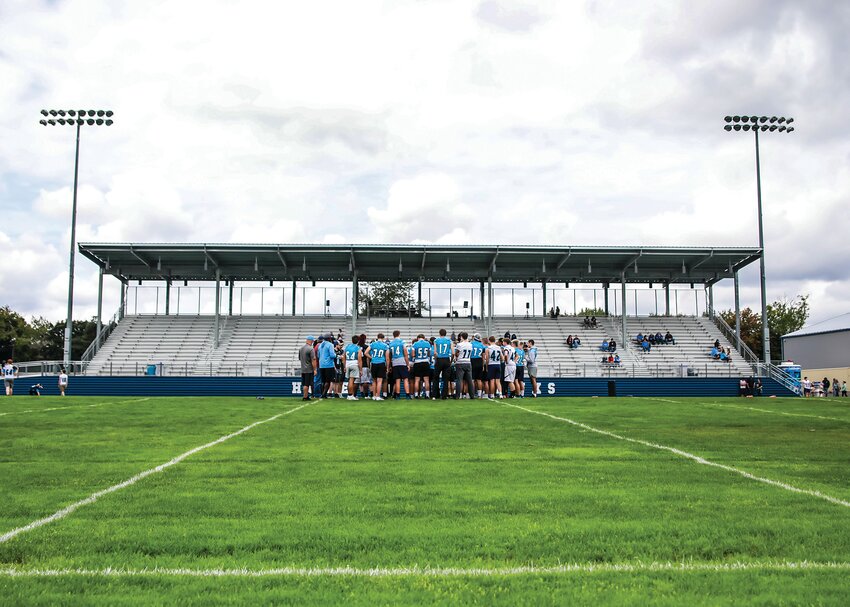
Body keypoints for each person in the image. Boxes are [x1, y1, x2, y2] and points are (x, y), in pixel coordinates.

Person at [365, 334, 389, 401]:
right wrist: (387, 366)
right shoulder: (385, 345)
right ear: (383, 338)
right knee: (379, 381)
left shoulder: (372, 344)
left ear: (377, 337)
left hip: (373, 363)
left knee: (374, 381)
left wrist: (372, 358)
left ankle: (374, 396)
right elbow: (387, 358)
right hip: (381, 363)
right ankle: (378, 396)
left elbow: (366, 352)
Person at [389, 330, 411, 400]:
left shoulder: (391, 343)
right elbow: (405, 354)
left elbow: (389, 355)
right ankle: (407, 395)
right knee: (405, 379)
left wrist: (390, 365)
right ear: (399, 334)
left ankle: (398, 395)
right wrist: (408, 364)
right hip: (402, 361)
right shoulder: (402, 342)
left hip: (394, 362)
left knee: (397, 380)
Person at [411, 333, 433, 399]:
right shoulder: (427, 343)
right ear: (423, 337)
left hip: (417, 362)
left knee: (417, 380)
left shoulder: (415, 344)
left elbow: (413, 354)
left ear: (418, 338)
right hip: (425, 362)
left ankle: (416, 395)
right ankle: (427, 395)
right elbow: (429, 353)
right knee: (426, 380)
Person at [433, 329, 454, 400]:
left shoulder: (436, 340)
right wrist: (450, 361)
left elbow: (435, 353)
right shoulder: (449, 341)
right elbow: (453, 353)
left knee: (436, 378)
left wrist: (436, 360)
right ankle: (444, 395)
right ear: (445, 333)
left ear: (439, 333)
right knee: (446, 379)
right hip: (446, 359)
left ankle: (435, 395)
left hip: (439, 359)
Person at [454, 332, 474, 399]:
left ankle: (457, 396)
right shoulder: (470, 345)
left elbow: (456, 353)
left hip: (460, 362)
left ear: (461, 337)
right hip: (468, 362)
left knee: (459, 380)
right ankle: (472, 395)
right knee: (470, 380)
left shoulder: (459, 345)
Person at [316, 335, 337, 399]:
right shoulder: (330, 345)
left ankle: (322, 393)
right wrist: (336, 355)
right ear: (329, 339)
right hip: (328, 365)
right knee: (328, 380)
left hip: (321, 364)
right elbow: (332, 355)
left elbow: (318, 355)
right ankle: (324, 394)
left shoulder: (320, 345)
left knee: (323, 380)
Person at [344, 336, 363, 401]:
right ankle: (350, 395)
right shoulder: (358, 348)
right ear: (358, 341)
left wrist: (344, 366)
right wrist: (360, 369)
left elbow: (344, 357)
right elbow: (359, 359)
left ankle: (349, 395)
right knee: (352, 380)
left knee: (350, 380)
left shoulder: (347, 347)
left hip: (347, 363)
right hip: (354, 364)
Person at [470, 333, 485, 398]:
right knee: (479, 380)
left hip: (473, 361)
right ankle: (479, 394)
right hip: (480, 361)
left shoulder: (471, 344)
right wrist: (483, 365)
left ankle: (472, 393)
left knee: (472, 379)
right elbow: (483, 356)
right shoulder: (482, 345)